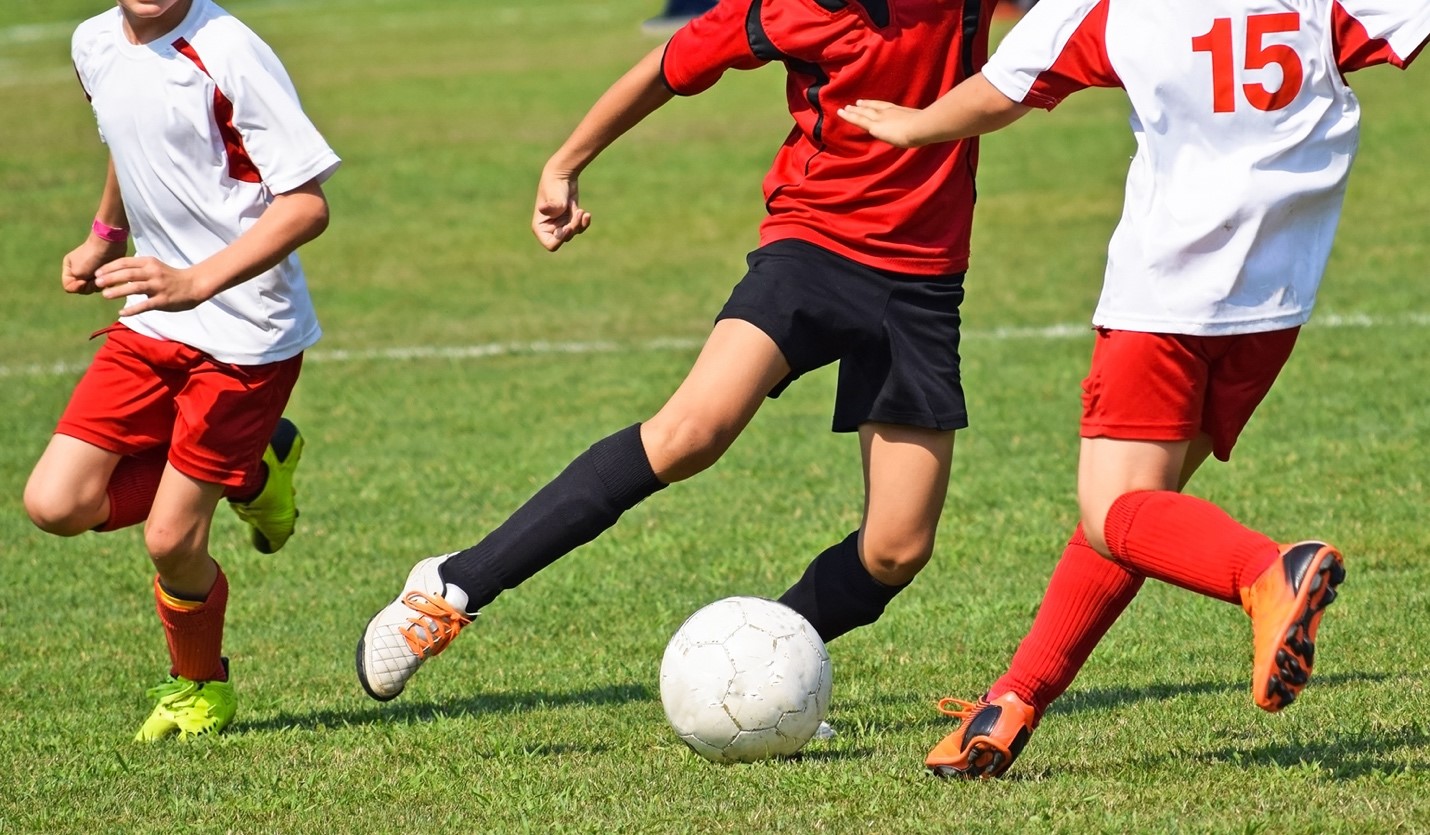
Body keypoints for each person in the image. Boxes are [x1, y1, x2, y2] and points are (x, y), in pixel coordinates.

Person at [837, 0, 1429, 778]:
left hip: (1169, 293)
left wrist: (917, 126)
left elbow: (1008, 84)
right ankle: (1013, 701)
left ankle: (1266, 571)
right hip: (1277, 298)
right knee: (1140, 514)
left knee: (1116, 510)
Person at [356, 0, 1000, 704]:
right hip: (812, 250)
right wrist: (564, 164)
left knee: (896, 549)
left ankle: (762, 668)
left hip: (925, 287)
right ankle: (454, 585)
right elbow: (666, 68)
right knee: (690, 433)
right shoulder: (790, 7)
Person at [23, 0, 340, 741]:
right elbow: (128, 141)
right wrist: (106, 233)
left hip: (245, 336)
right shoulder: (93, 42)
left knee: (170, 540)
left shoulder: (230, 52)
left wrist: (198, 281)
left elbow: (306, 205)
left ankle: (200, 686)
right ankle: (250, 466)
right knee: (55, 502)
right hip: (154, 317)